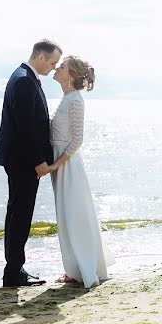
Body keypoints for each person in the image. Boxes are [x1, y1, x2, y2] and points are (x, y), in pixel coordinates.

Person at [0, 39, 62, 287]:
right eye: (53, 62)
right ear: (41, 57)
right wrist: (39, 162)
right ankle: (13, 273)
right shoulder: (23, 80)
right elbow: (26, 128)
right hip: (23, 161)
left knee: (16, 214)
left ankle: (13, 270)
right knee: (20, 216)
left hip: (19, 160)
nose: (54, 68)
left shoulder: (23, 77)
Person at [48, 55, 112, 288]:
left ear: (71, 75)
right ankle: (74, 269)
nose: (57, 68)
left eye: (62, 66)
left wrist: (56, 164)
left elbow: (76, 141)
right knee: (67, 217)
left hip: (69, 167)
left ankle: (83, 269)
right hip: (61, 166)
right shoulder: (67, 98)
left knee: (74, 216)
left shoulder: (75, 100)